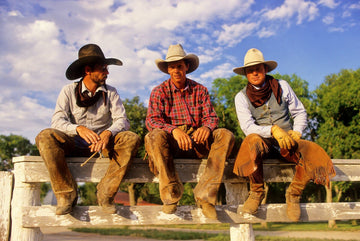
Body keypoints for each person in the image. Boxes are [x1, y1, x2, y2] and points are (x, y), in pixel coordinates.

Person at [36, 44, 140, 215]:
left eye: (107, 68)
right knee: (46, 136)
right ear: (88, 70)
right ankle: (66, 195)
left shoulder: (111, 92)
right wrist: (78, 129)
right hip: (74, 143)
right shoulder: (68, 91)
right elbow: (57, 120)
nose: (107, 72)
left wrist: (107, 133)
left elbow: (122, 120)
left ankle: (106, 193)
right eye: (103, 69)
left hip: (104, 146)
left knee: (131, 138)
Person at [232, 48, 336, 221]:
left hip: (287, 141)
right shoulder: (241, 97)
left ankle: (294, 194)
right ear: (246, 74)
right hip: (263, 143)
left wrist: (297, 131)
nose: (255, 72)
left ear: (265, 69)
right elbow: (248, 127)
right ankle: (257, 191)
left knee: (310, 150)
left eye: (258, 68)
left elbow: (300, 112)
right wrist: (272, 129)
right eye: (250, 70)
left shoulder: (282, 86)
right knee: (251, 140)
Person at [145, 44, 235, 219]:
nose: (176, 70)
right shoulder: (159, 91)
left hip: (197, 141)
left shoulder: (200, 90)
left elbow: (211, 117)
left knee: (225, 134)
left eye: (180, 66)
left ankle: (205, 195)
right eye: (172, 66)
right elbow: (152, 120)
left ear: (186, 67)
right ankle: (171, 193)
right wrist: (174, 131)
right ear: (167, 69)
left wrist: (206, 127)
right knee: (153, 135)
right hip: (171, 143)